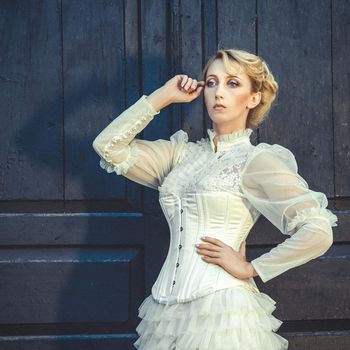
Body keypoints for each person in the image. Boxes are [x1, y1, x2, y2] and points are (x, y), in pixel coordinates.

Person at [92, 48, 338, 350]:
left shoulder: (257, 160)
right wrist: (163, 96)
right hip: (166, 313)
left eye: (232, 83)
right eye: (211, 82)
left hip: (223, 311)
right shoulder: (180, 155)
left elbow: (318, 230)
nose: (218, 92)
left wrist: (252, 268)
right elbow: (108, 146)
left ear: (253, 98)